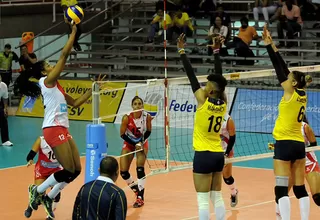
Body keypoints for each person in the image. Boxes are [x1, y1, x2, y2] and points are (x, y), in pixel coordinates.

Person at [14, 24, 101, 219]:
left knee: (76, 170)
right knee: (68, 169)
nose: (53, 67)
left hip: (63, 127)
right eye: (49, 66)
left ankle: (49, 195)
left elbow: (77, 102)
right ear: (44, 73)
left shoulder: (57, 87)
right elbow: (63, 56)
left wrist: (94, 88)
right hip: (52, 128)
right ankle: (37, 191)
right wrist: (72, 34)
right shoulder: (46, 82)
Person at [262, 25, 310, 220]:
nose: (286, 79)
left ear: (293, 83)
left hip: (284, 143)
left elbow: (279, 70)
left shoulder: (289, 92)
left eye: (289, 79)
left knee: (281, 190)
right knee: (299, 189)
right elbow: (286, 70)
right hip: (299, 145)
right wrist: (273, 46)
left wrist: (267, 47)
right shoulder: (302, 93)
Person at [178, 33, 227, 220]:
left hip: (203, 154)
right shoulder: (223, 103)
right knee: (217, 195)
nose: (204, 85)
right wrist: (216, 52)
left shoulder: (202, 101)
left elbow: (191, 76)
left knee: (203, 200)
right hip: (217, 154)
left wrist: (182, 51)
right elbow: (219, 78)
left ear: (211, 90)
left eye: (207, 84)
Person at [269, 120, 320, 219]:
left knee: (317, 197)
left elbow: (314, 144)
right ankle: (278, 217)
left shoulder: (305, 127)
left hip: (309, 162)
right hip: (292, 164)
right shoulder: (282, 127)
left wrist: (299, 148)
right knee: (281, 192)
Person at [119, 96, 152, 208]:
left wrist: (140, 142)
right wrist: (134, 143)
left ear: (142, 105)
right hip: (129, 142)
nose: (138, 106)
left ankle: (140, 197)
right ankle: (137, 189)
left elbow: (148, 131)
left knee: (140, 168)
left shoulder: (147, 116)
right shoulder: (126, 118)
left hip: (142, 142)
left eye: (140, 104)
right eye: (135, 104)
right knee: (123, 172)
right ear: (132, 106)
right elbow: (122, 134)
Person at [24, 136, 62, 220]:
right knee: (38, 193)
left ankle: (49, 215)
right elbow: (30, 155)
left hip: (56, 169)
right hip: (42, 170)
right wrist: (30, 160)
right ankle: (29, 207)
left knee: (56, 194)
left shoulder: (62, 141)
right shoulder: (41, 140)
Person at [220, 113, 238, 207]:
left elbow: (232, 137)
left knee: (227, 177)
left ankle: (234, 193)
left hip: (225, 150)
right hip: (212, 149)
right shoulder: (209, 115)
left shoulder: (228, 120)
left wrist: (227, 152)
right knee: (211, 177)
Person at [0, 78, 12, 146]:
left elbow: (5, 98)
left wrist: (5, 108)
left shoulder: (3, 85)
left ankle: (5, 140)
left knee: (3, 117)